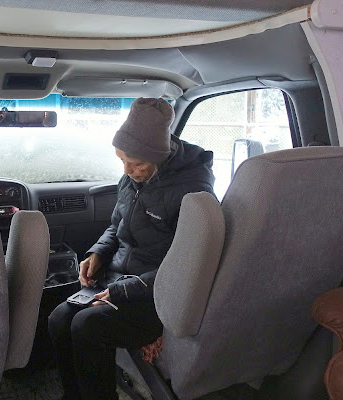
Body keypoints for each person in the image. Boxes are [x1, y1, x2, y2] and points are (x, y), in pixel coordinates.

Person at [48, 97, 215, 400]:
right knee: (59, 319)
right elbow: (117, 226)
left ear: (158, 156)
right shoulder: (131, 178)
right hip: (118, 278)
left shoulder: (193, 191)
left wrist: (122, 291)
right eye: (122, 161)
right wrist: (98, 253)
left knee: (88, 326)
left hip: (157, 295)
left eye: (136, 164)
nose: (127, 171)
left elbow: (187, 265)